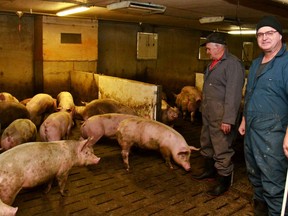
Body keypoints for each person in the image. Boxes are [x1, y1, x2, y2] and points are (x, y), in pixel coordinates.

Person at [238, 16, 288, 216]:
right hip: (252, 130)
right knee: (254, 174)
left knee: (273, 180)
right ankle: (260, 210)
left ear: (280, 36)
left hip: (274, 134)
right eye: (260, 34)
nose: (264, 37)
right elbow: (250, 93)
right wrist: (243, 119)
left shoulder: (286, 64)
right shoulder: (257, 62)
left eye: (270, 33)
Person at [192, 32, 245, 196]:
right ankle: (209, 170)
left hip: (222, 116)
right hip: (209, 112)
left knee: (222, 147)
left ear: (218, 47)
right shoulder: (213, 64)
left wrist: (228, 120)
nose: (207, 52)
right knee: (206, 142)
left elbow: (234, 94)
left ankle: (224, 181)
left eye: (208, 49)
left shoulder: (233, 64)